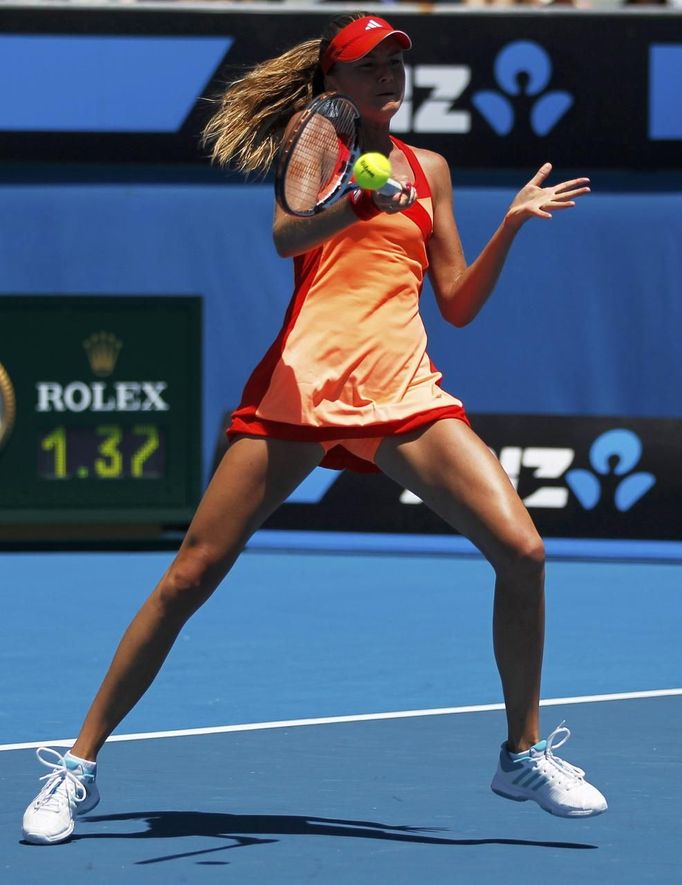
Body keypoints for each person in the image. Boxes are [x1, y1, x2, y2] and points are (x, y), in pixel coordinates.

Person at [21, 12, 606, 845]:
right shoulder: (317, 146)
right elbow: (285, 235)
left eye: (399, 63)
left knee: (524, 550)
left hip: (403, 394)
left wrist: (508, 224)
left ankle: (520, 754)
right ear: (335, 82)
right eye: (372, 66)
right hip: (301, 392)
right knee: (189, 577)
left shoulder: (429, 169)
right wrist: (359, 201)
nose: (390, 78)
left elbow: (459, 306)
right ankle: (76, 766)